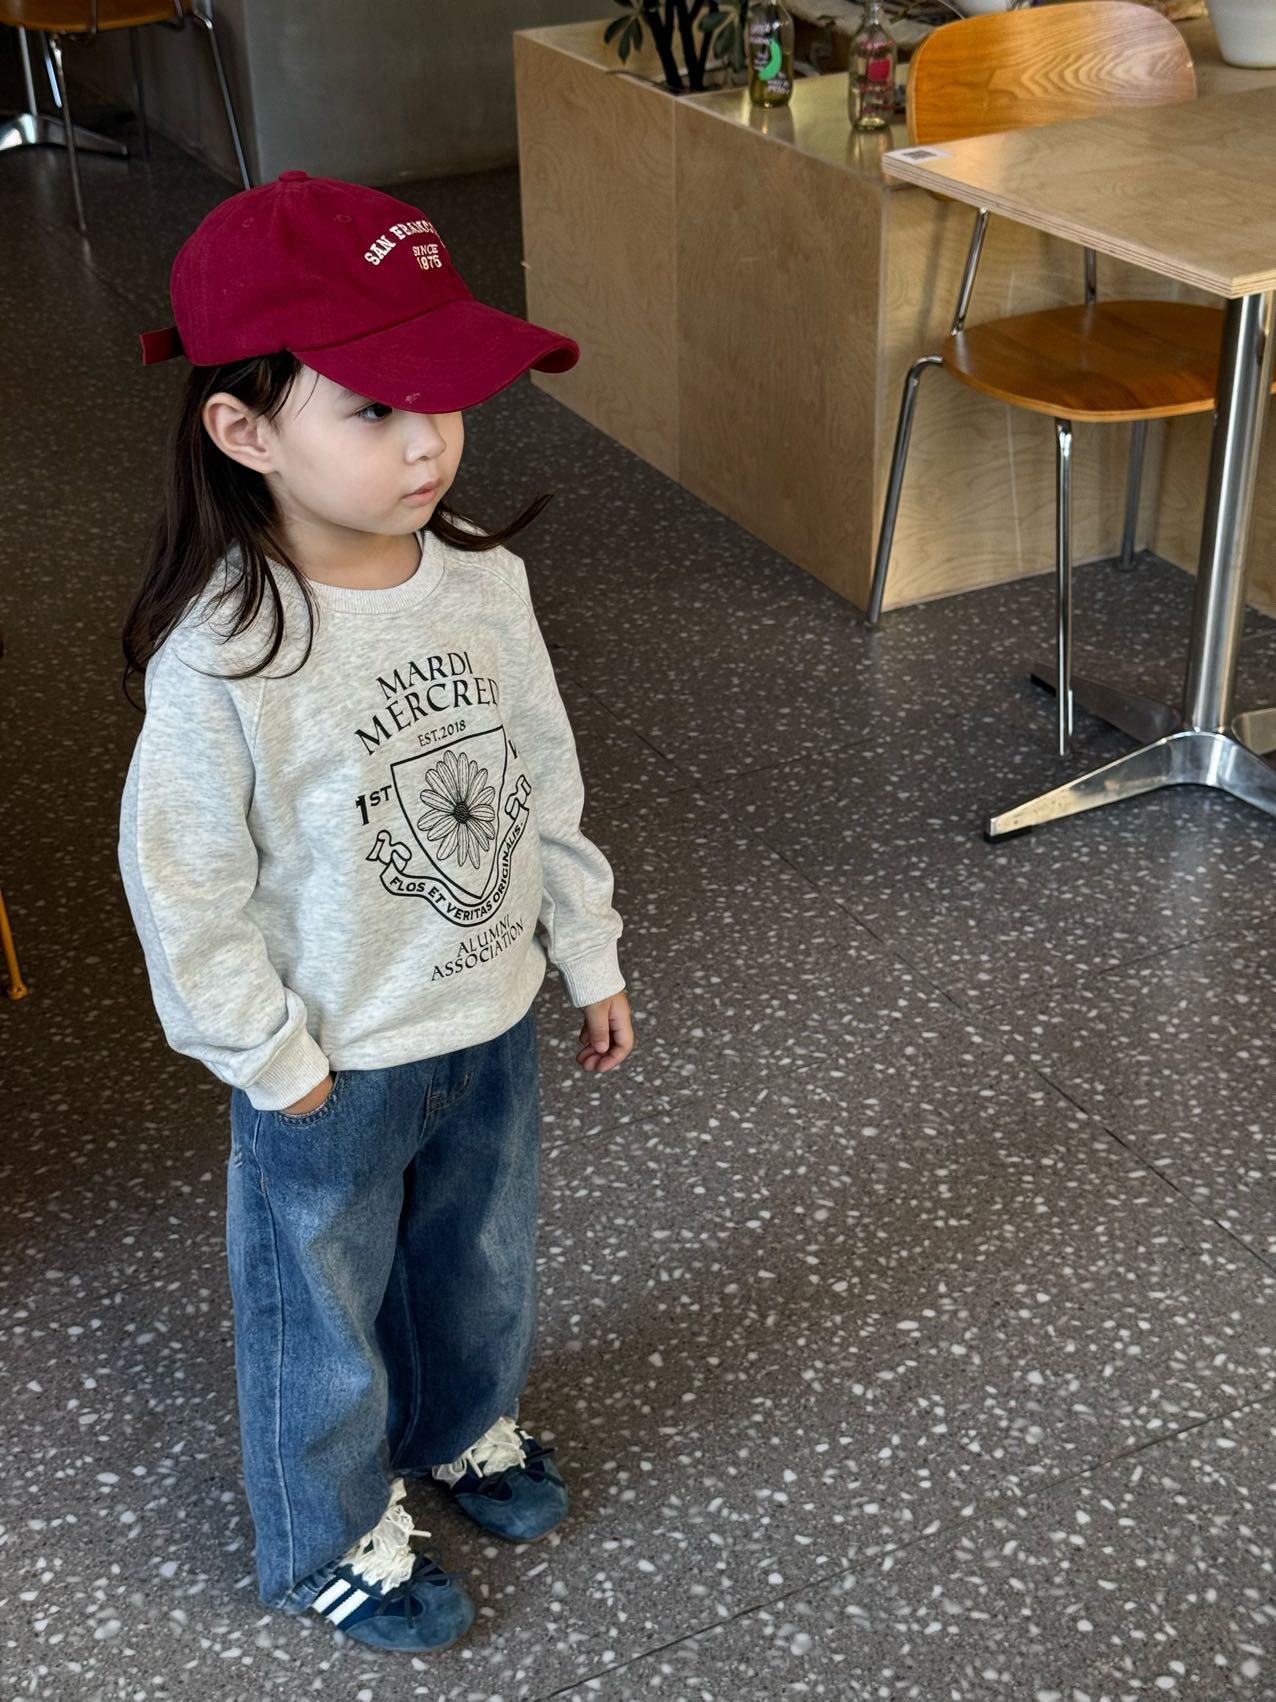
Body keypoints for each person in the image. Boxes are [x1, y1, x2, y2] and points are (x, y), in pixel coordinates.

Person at [117, 171, 633, 1655]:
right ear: (245, 430)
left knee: (477, 1259)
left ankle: (462, 1425)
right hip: (328, 1059)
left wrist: (583, 946)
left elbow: (540, 774)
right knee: (319, 1314)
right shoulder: (222, 654)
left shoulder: (483, 578)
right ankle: (328, 1534)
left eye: (445, 397)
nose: (429, 441)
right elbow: (183, 884)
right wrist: (270, 1057)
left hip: (487, 1012)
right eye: (375, 408)